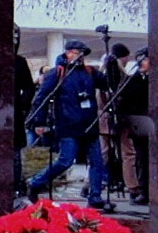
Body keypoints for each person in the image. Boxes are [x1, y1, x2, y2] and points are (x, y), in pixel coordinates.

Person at [24, 39, 112, 210]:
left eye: (82, 54)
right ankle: (35, 182)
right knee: (65, 161)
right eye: (77, 52)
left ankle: (95, 197)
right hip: (68, 125)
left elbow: (108, 83)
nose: (80, 56)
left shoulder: (90, 72)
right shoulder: (58, 73)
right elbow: (41, 98)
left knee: (97, 161)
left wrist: (111, 66)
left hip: (89, 124)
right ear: (68, 52)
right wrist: (39, 122)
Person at [100, 43, 140, 201]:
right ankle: (132, 187)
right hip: (119, 119)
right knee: (128, 153)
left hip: (104, 119)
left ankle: (90, 184)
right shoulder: (122, 77)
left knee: (102, 153)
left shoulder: (102, 75)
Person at [118, 48, 151, 204]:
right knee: (142, 158)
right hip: (141, 124)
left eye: (145, 59)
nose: (143, 63)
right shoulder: (134, 80)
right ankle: (144, 190)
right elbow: (123, 101)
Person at [12, 26, 36, 199]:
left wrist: (21, 105)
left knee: (15, 153)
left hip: (12, 112)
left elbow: (28, 87)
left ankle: (15, 185)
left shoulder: (19, 62)